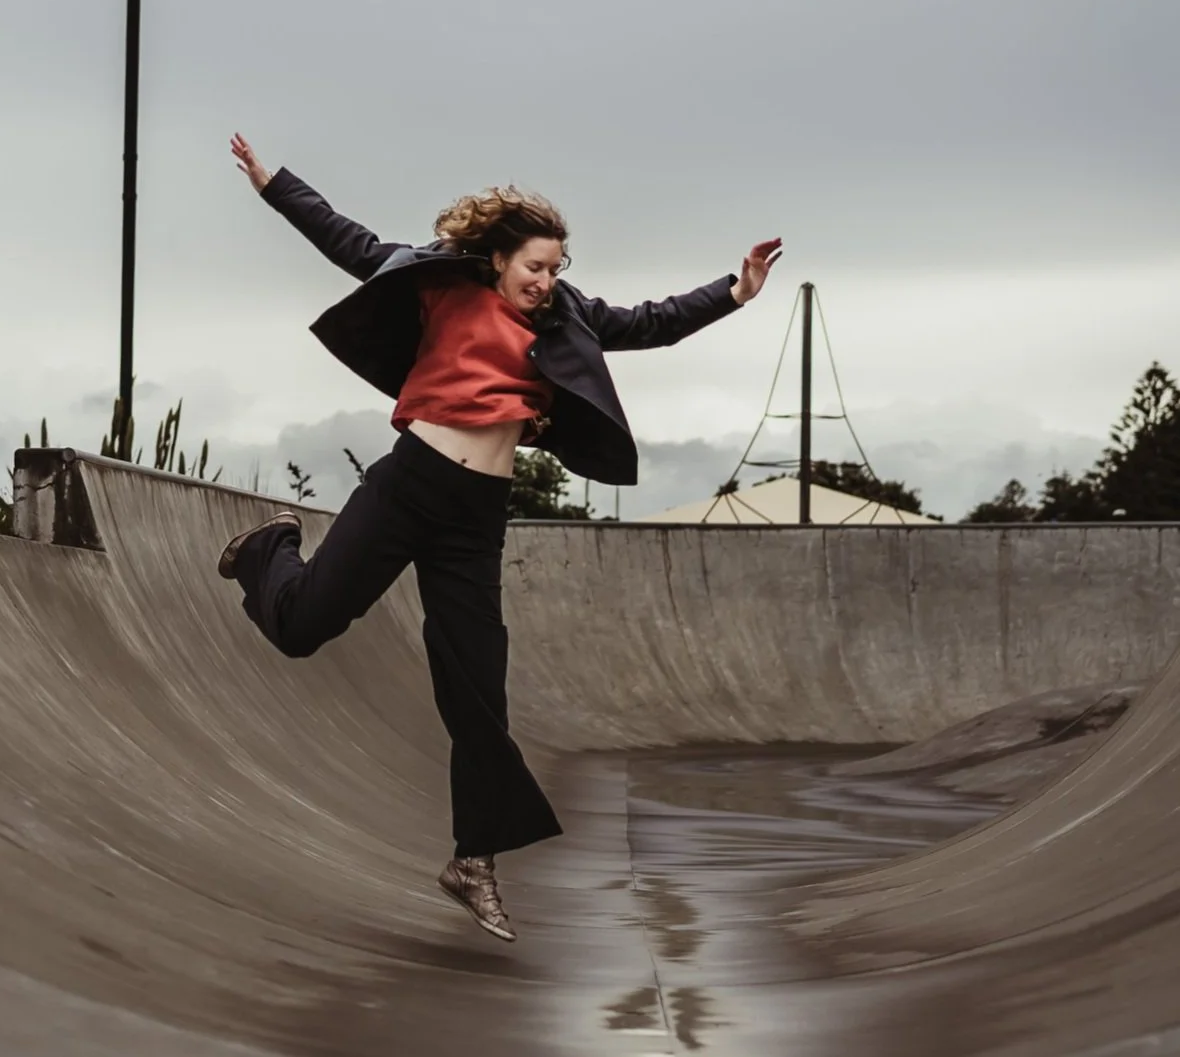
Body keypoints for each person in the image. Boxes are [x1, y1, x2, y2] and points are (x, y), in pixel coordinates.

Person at [217, 133, 782, 942]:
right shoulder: (440, 284)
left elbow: (652, 322)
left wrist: (734, 290)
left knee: (479, 695)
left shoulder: (569, 316)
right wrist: (276, 184)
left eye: (557, 269)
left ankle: (473, 861)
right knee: (304, 627)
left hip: (476, 518)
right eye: (535, 268)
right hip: (408, 486)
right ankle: (269, 548)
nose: (548, 282)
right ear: (497, 259)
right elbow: (349, 241)